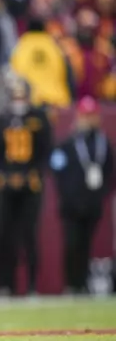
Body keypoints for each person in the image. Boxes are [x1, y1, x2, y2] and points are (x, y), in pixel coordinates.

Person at [51, 96, 114, 294]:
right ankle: (72, 283)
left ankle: (83, 282)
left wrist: (100, 195)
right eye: (85, 116)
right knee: (72, 243)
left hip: (92, 202)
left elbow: (109, 172)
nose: (88, 120)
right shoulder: (68, 143)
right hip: (71, 204)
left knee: (86, 244)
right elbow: (57, 168)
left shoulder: (104, 144)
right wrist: (67, 195)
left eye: (92, 115)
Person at [0, 78, 52, 295]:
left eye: (21, 95)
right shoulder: (2, 118)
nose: (18, 100)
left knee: (29, 235)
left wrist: (31, 174)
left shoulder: (38, 117)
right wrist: (5, 175)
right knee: (5, 235)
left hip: (31, 183)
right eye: (15, 96)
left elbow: (46, 150)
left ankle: (32, 285)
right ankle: (5, 285)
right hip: (8, 183)